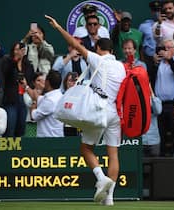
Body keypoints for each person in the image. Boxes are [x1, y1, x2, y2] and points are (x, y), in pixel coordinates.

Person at [45, 15, 126, 206]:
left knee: (85, 148)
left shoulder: (97, 59)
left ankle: (101, 178)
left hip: (99, 111)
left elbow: (74, 43)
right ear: (113, 51)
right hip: (115, 114)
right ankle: (110, 198)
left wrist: (57, 27)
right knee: (113, 154)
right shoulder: (121, 67)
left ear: (99, 49)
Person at [0, 42, 34, 137]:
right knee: (10, 128)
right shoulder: (7, 62)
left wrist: (26, 84)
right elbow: (5, 74)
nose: (18, 52)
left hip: (23, 99)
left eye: (21, 49)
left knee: (21, 128)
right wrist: (16, 60)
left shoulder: (28, 65)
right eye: (16, 49)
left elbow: (31, 82)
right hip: (11, 100)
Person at [154, 38, 174, 156]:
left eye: (169, 48)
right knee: (161, 131)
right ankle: (162, 154)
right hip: (159, 104)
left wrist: (170, 60)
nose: (166, 50)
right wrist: (155, 62)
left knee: (173, 130)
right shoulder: (159, 63)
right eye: (165, 48)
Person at [30, 70, 64, 137]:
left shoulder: (50, 101)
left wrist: (33, 104)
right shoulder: (60, 96)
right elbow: (38, 97)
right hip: (58, 137)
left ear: (47, 82)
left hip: (47, 140)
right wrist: (26, 87)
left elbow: (33, 116)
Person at [138, 0, 162, 89]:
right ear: (152, 11)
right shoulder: (144, 26)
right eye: (155, 10)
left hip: (164, 59)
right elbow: (140, 45)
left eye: (159, 10)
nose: (157, 13)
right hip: (149, 59)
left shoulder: (167, 24)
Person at [23, 72, 45, 137]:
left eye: (43, 80)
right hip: (31, 124)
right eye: (38, 80)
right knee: (31, 145)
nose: (41, 82)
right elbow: (29, 103)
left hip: (44, 124)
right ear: (33, 82)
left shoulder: (48, 94)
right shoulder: (26, 93)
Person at [142, 86, 162, 157]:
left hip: (154, 140)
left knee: (155, 165)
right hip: (141, 140)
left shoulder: (155, 100)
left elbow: (158, 110)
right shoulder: (135, 101)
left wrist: (151, 93)